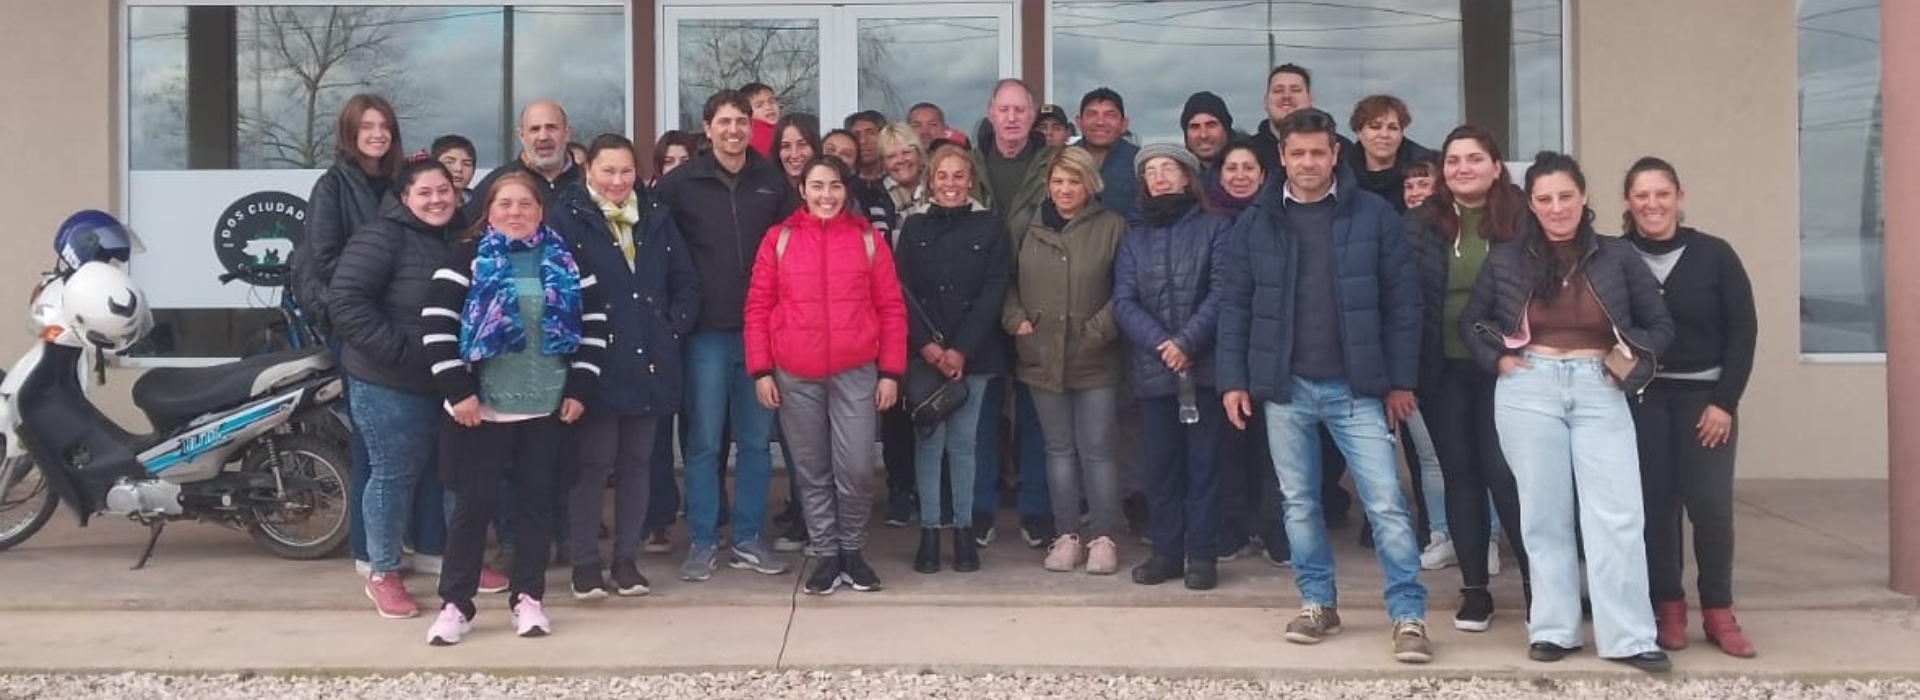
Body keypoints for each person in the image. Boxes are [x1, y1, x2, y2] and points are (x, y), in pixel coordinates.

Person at [1217, 109, 1431, 664]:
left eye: (1318, 152)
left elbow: (1404, 304)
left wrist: (1400, 381)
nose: (1308, 162)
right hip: (1286, 390)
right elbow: (1235, 304)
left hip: (1358, 389)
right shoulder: (1257, 222)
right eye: (1298, 153)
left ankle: (1408, 615)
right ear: (1281, 157)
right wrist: (1234, 379)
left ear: (1336, 154)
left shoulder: (1374, 216)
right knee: (1299, 504)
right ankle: (1317, 604)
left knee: (1386, 503)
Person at [1460, 151, 1674, 673]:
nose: (1557, 208)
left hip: (1599, 385)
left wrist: (1627, 366)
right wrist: (1500, 359)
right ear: (1531, 205)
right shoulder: (1508, 257)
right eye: (1545, 199)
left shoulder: (1618, 255)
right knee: (1543, 513)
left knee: (1618, 513)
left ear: (1584, 197)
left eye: (1565, 196)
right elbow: (1474, 320)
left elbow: (1659, 325)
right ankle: (1554, 628)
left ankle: (1628, 635)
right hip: (1529, 386)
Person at [419, 171, 609, 645]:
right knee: (472, 509)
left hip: (547, 408)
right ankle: (456, 605)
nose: (515, 212)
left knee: (535, 508)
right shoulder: (465, 258)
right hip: (480, 410)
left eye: (526, 204)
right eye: (504, 204)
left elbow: (595, 326)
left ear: (541, 211)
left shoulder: (567, 260)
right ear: (488, 211)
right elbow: (436, 326)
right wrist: (457, 390)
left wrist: (581, 387)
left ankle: (528, 598)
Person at [653, 90, 801, 583]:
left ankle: (747, 538)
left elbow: (794, 246)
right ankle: (702, 539)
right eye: (724, 121)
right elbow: (657, 248)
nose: (734, 130)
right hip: (706, 334)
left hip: (762, 332)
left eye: (741, 121)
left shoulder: (772, 181)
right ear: (707, 128)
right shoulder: (680, 184)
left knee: (756, 443)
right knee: (703, 442)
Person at [745, 156, 908, 595]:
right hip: (795, 373)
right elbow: (758, 307)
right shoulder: (779, 239)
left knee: (856, 468)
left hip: (856, 372)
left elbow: (891, 309)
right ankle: (826, 553)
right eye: (817, 186)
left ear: (845, 189)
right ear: (802, 190)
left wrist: (890, 372)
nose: (826, 195)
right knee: (812, 470)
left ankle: (852, 549)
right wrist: (761, 370)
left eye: (834, 185)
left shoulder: (868, 240)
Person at [552, 134, 699, 600]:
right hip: (595, 359)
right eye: (608, 171)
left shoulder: (656, 216)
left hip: (650, 356)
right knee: (592, 464)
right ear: (588, 171)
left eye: (626, 171)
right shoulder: (566, 217)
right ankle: (585, 563)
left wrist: (670, 327)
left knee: (638, 463)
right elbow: (558, 290)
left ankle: (626, 561)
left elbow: (686, 283)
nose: (618, 181)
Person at [1622, 157, 1758, 658]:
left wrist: (1725, 401)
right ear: (1628, 201)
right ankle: (1669, 607)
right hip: (1644, 398)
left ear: (1679, 196)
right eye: (1641, 195)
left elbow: (1743, 331)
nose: (1652, 204)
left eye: (1662, 193)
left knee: (1711, 507)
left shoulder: (1715, 254)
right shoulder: (1616, 255)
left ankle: (1719, 611)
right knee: (1656, 508)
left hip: (1706, 402)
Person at [1405, 125, 1532, 632]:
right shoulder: (1419, 223)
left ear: (1496, 167)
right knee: (1460, 475)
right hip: (1443, 370)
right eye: (1454, 160)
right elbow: (1404, 298)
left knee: (1506, 475)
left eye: (1475, 158)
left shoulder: (1523, 219)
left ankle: (1539, 587)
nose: (1463, 168)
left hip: (1506, 368)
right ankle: (1475, 590)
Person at [328, 157, 461, 619]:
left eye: (443, 190)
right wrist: (402, 350)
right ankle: (383, 572)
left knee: (455, 476)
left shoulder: (462, 238)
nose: (436, 200)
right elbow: (346, 302)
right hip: (389, 380)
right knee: (392, 475)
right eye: (425, 192)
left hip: (448, 382)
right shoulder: (380, 237)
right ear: (405, 198)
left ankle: (457, 565)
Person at [1003, 147, 1128, 576]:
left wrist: (1099, 330)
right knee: (1057, 449)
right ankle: (1067, 535)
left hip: (1095, 356)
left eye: (1074, 181)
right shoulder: (1026, 224)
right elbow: (1004, 280)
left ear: (1089, 184)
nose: (1065, 189)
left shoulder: (1112, 227)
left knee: (1097, 450)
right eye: (1057, 181)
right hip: (1039, 352)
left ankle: (1104, 537)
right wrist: (1015, 319)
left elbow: (1126, 288)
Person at [292, 93, 402, 577]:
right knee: (369, 437)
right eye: (367, 126)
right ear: (350, 133)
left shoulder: (397, 183)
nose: (377, 135)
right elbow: (325, 259)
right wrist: (383, 287)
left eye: (384, 126)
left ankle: (396, 539)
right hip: (357, 323)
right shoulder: (332, 186)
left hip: (397, 322)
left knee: (400, 439)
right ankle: (367, 549)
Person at [1112, 144, 1231, 590]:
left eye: (1168, 169)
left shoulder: (1216, 228)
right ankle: (1166, 553)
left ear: (1187, 177)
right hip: (1154, 370)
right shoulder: (1134, 239)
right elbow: (1124, 302)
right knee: (1161, 468)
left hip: (1204, 369)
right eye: (1151, 171)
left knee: (1205, 467)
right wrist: (1163, 345)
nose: (1160, 177)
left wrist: (1186, 342)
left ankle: (1201, 556)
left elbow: (1222, 292)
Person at [895, 144, 1009, 574]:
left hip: (973, 355)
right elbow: (900, 290)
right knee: (929, 445)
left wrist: (961, 348)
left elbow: (994, 290)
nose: (950, 184)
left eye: (958, 175)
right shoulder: (914, 227)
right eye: (942, 175)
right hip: (926, 357)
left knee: (963, 445)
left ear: (971, 180)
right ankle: (929, 531)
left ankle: (963, 532)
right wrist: (926, 345)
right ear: (930, 180)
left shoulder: (990, 227)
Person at [464, 100, 583, 222]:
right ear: (521, 136)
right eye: (534, 129)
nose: (543, 137)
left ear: (567, 133)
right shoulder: (497, 181)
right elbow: (467, 228)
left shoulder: (588, 180)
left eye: (551, 128)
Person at [1247, 64, 1356, 176]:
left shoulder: (1344, 150)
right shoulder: (1247, 151)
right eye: (1278, 90)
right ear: (1265, 101)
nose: (1286, 96)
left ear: (1310, 99)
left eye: (1296, 90)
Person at [1343, 95, 1434, 212]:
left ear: (1402, 132)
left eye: (1393, 128)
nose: (1384, 135)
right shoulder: (1343, 170)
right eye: (1375, 127)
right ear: (1359, 132)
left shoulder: (1426, 164)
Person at [1077, 87, 1140, 219]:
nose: (1100, 122)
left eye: (1110, 115)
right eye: (1092, 114)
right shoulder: (1062, 159)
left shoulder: (1139, 162)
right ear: (1079, 122)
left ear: (1124, 124)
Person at [1179, 92, 1234, 189]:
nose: (1203, 135)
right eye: (1195, 127)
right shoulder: (1175, 178)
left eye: (1211, 125)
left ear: (1226, 129)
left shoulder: (1253, 168)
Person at [879, 123, 928, 218]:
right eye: (891, 156)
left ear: (919, 154)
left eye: (906, 152)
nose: (900, 160)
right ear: (883, 162)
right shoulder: (875, 195)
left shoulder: (939, 187)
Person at [1212, 142, 1267, 220]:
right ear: (1220, 176)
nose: (1240, 176)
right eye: (1231, 168)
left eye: (1249, 168)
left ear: (1262, 176)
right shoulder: (1203, 214)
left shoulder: (1277, 213)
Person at [773, 113, 822, 188]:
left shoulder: (829, 193)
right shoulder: (765, 190)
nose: (794, 155)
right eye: (786, 146)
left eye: (802, 145)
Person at [432, 134, 478, 201]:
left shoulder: (482, 203)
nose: (459, 169)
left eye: (466, 164)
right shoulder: (421, 203)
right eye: (449, 162)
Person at [742, 81, 781, 157]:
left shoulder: (780, 129)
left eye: (772, 102)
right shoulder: (758, 135)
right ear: (747, 112)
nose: (768, 107)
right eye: (759, 105)